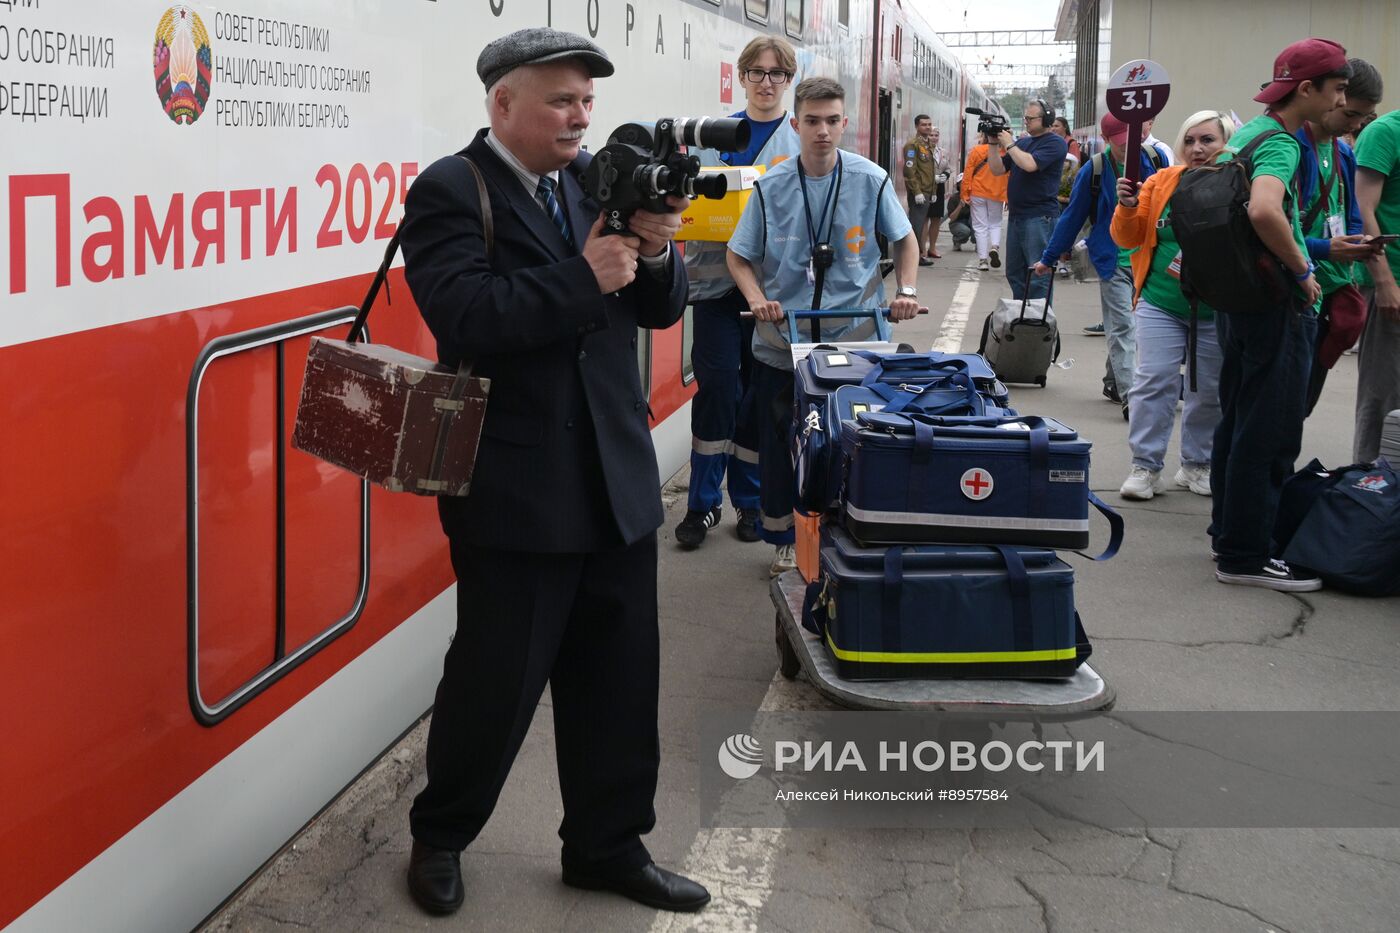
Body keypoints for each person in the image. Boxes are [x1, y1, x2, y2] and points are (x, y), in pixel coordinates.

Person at [397, 28, 708, 915]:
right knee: (494, 683)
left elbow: (659, 308)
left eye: (586, 101)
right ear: (504, 104)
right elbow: (463, 313)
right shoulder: (452, 188)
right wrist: (582, 278)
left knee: (619, 678)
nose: (580, 117)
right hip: (516, 489)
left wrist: (657, 251)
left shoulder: (590, 183)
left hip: (614, 476)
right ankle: (441, 834)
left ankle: (608, 844)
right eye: (562, 100)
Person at [726, 76, 922, 575]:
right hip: (782, 346)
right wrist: (757, 299)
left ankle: (847, 534)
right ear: (795, 125)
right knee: (781, 449)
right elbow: (739, 256)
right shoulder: (771, 187)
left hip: (856, 346)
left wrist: (906, 291)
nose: (823, 131)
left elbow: (905, 240)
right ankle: (785, 541)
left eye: (832, 121)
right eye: (812, 121)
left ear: (845, 124)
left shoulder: (870, 179)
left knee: (854, 444)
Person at [1209, 38, 1351, 592]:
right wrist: (1302, 269)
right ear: (1307, 89)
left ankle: (1228, 534)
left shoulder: (1246, 133)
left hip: (1237, 298)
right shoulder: (1283, 144)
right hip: (1274, 303)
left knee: (1237, 422)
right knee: (1269, 431)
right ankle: (1247, 555)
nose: (1341, 101)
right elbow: (1265, 209)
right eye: (1337, 89)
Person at [675, 36, 802, 549]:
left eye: (777, 74)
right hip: (714, 288)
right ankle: (702, 504)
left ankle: (749, 502)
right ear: (742, 76)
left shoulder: (798, 141)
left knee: (757, 401)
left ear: (788, 80)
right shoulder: (711, 138)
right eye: (757, 72)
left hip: (771, 293)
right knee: (718, 389)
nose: (766, 82)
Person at [1110, 111, 1235, 500]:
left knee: (1208, 389)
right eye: (1190, 140)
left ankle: (1197, 464)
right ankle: (1145, 466)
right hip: (1160, 301)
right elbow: (1126, 237)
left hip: (1218, 307)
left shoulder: (1241, 183)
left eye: (1208, 140)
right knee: (1154, 380)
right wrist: (1127, 206)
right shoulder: (1161, 182)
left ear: (1226, 143)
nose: (1197, 148)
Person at [1034, 112, 1162, 420]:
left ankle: (1114, 381)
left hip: (1148, 259)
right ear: (1105, 140)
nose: (1127, 148)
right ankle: (1132, 397)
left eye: (1132, 141)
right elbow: (1072, 217)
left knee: (1132, 328)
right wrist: (1049, 258)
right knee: (1123, 327)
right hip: (1112, 261)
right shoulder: (1094, 169)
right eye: (1120, 143)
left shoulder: (1156, 160)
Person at [1298, 59, 1384, 415]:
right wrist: (1325, 249)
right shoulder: (1291, 146)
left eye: (1364, 118)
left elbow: (1351, 214)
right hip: (1295, 290)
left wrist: (1356, 242)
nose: (1356, 125)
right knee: (1278, 408)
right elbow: (1272, 228)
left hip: (1329, 292)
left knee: (1302, 404)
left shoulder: (1343, 151)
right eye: (1351, 114)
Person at [1354, 102, 1400, 462]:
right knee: (1383, 394)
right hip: (1392, 280)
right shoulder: (1385, 132)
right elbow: (1362, 209)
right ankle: (1371, 477)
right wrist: (1384, 282)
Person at [989, 98, 1068, 300]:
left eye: (1030, 118)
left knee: (1038, 275)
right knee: (1015, 273)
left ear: (1046, 119)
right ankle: (1022, 313)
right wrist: (993, 144)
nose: (1026, 121)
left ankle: (1039, 316)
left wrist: (1009, 144)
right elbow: (997, 169)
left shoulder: (1055, 143)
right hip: (1017, 217)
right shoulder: (1023, 143)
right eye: (1025, 118)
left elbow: (1030, 165)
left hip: (1039, 217)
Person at [961, 129, 1009, 272]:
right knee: (995, 223)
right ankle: (994, 247)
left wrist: (965, 193)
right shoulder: (1005, 152)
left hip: (977, 192)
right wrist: (1008, 196)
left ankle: (983, 260)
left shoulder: (977, 150)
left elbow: (968, 172)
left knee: (980, 226)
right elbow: (1010, 175)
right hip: (997, 192)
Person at [902, 114, 939, 266]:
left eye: (929, 124)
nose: (927, 127)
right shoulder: (913, 145)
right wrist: (916, 192)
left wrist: (934, 191)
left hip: (927, 191)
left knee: (919, 224)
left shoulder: (928, 145)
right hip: (919, 192)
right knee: (916, 226)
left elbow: (931, 169)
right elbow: (909, 170)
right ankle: (914, 257)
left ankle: (918, 255)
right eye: (924, 125)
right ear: (917, 126)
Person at [946, 172, 975, 251]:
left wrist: (973, 206)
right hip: (956, 222)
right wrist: (960, 206)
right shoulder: (954, 198)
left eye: (967, 182)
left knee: (978, 227)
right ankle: (957, 241)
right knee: (965, 232)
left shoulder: (974, 197)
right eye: (962, 183)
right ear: (958, 185)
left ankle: (978, 242)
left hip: (970, 222)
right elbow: (952, 218)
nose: (965, 185)